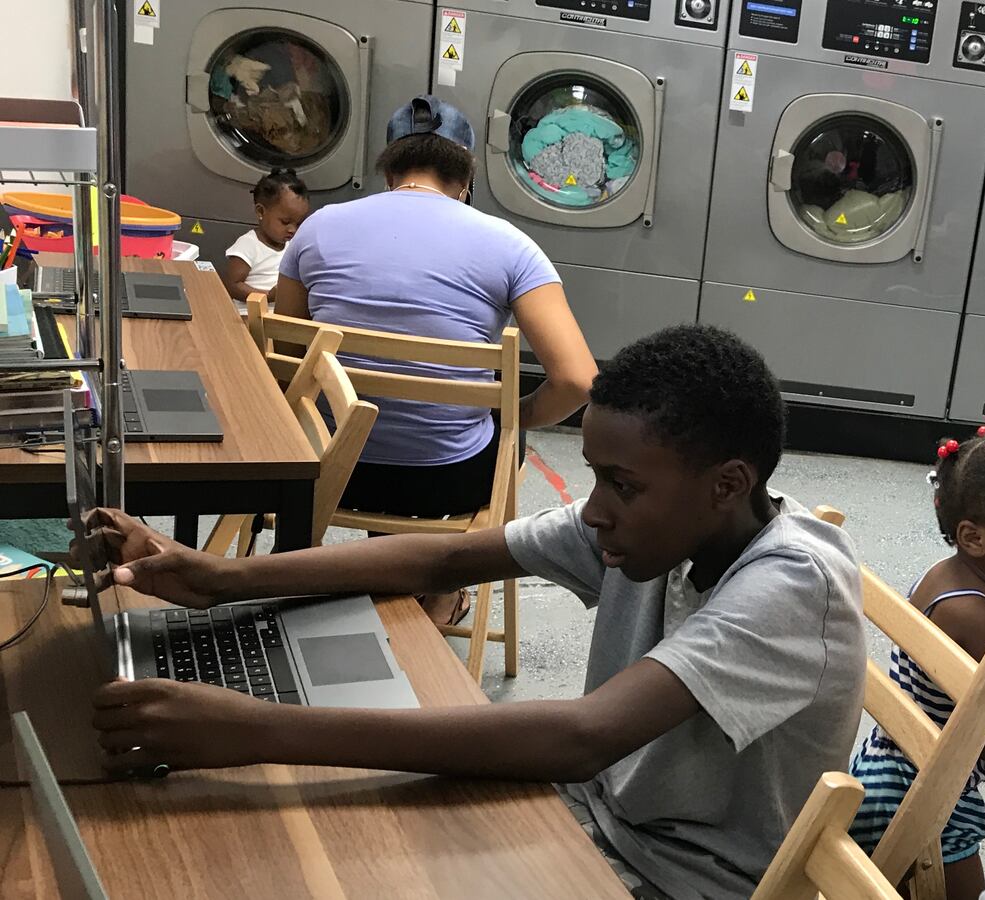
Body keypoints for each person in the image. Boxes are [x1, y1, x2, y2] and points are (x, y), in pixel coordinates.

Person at [84, 325, 867, 900]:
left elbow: (581, 737)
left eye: (620, 485)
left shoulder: (792, 586)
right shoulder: (658, 523)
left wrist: (255, 729)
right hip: (594, 818)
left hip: (681, 879)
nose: (593, 513)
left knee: (316, 855)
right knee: (306, 847)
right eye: (593, 478)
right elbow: (446, 559)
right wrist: (221, 577)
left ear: (728, 484)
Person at [274, 95, 597, 624]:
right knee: (500, 438)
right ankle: (442, 592)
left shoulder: (318, 227)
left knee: (363, 416)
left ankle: (387, 569)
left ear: (390, 166)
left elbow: (289, 357)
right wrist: (512, 416)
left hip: (324, 469)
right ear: (465, 175)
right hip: (445, 479)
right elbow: (579, 381)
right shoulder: (511, 246)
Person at [847, 414, 985, 900]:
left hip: (893, 766)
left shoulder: (949, 579)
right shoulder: (974, 614)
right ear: (974, 538)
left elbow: (942, 668)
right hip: (926, 795)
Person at [220, 167, 310, 310]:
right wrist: (267, 296)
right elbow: (232, 285)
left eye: (299, 223)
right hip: (249, 315)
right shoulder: (249, 244)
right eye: (285, 222)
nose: (293, 229)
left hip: (280, 315)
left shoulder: (292, 245)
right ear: (261, 211)